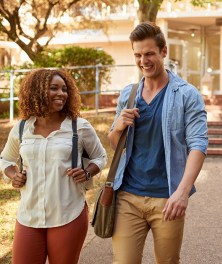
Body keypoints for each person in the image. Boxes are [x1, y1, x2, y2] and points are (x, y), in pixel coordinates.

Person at [108, 22, 208, 263]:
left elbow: (198, 144)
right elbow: (114, 144)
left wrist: (182, 193)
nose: (144, 60)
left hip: (167, 197)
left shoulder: (187, 95)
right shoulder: (128, 95)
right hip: (128, 196)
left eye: (149, 53)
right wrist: (119, 126)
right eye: (138, 55)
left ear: (164, 52)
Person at [0, 69, 107, 264]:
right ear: (37, 92)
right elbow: (6, 160)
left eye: (65, 89)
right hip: (29, 215)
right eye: (54, 88)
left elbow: (100, 156)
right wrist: (13, 174)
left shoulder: (78, 127)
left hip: (68, 213)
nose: (61, 94)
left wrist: (86, 172)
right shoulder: (22, 128)